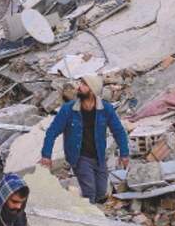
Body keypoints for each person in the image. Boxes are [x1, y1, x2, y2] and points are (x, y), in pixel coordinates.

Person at [40, 75, 130, 203]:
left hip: (99, 156)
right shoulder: (68, 109)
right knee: (90, 192)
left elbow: (119, 131)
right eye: (80, 83)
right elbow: (52, 132)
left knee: (101, 192)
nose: (79, 87)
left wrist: (124, 153)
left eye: (84, 84)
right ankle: (91, 218)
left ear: (92, 90)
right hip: (79, 156)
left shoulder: (105, 109)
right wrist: (46, 155)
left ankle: (95, 214)